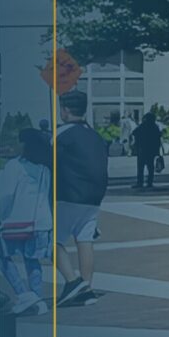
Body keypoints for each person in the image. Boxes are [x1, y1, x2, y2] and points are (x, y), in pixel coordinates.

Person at [53, 90, 107, 307]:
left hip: (68, 195)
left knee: (50, 240)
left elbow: (47, 160)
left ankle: (72, 282)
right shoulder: (96, 136)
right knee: (85, 241)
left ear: (65, 111)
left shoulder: (62, 134)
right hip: (94, 198)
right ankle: (87, 287)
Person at [0, 128, 54, 316]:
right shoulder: (45, 167)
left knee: (2, 257)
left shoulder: (15, 166)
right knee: (32, 260)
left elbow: (6, 195)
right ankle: (36, 296)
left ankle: (24, 295)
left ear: (25, 144)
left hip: (16, 221)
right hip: (41, 222)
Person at [132, 112, 163, 190]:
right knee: (150, 167)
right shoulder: (155, 127)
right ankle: (149, 182)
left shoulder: (143, 126)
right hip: (151, 150)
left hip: (142, 149)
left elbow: (134, 133)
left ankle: (140, 182)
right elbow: (158, 139)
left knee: (141, 167)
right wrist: (158, 150)